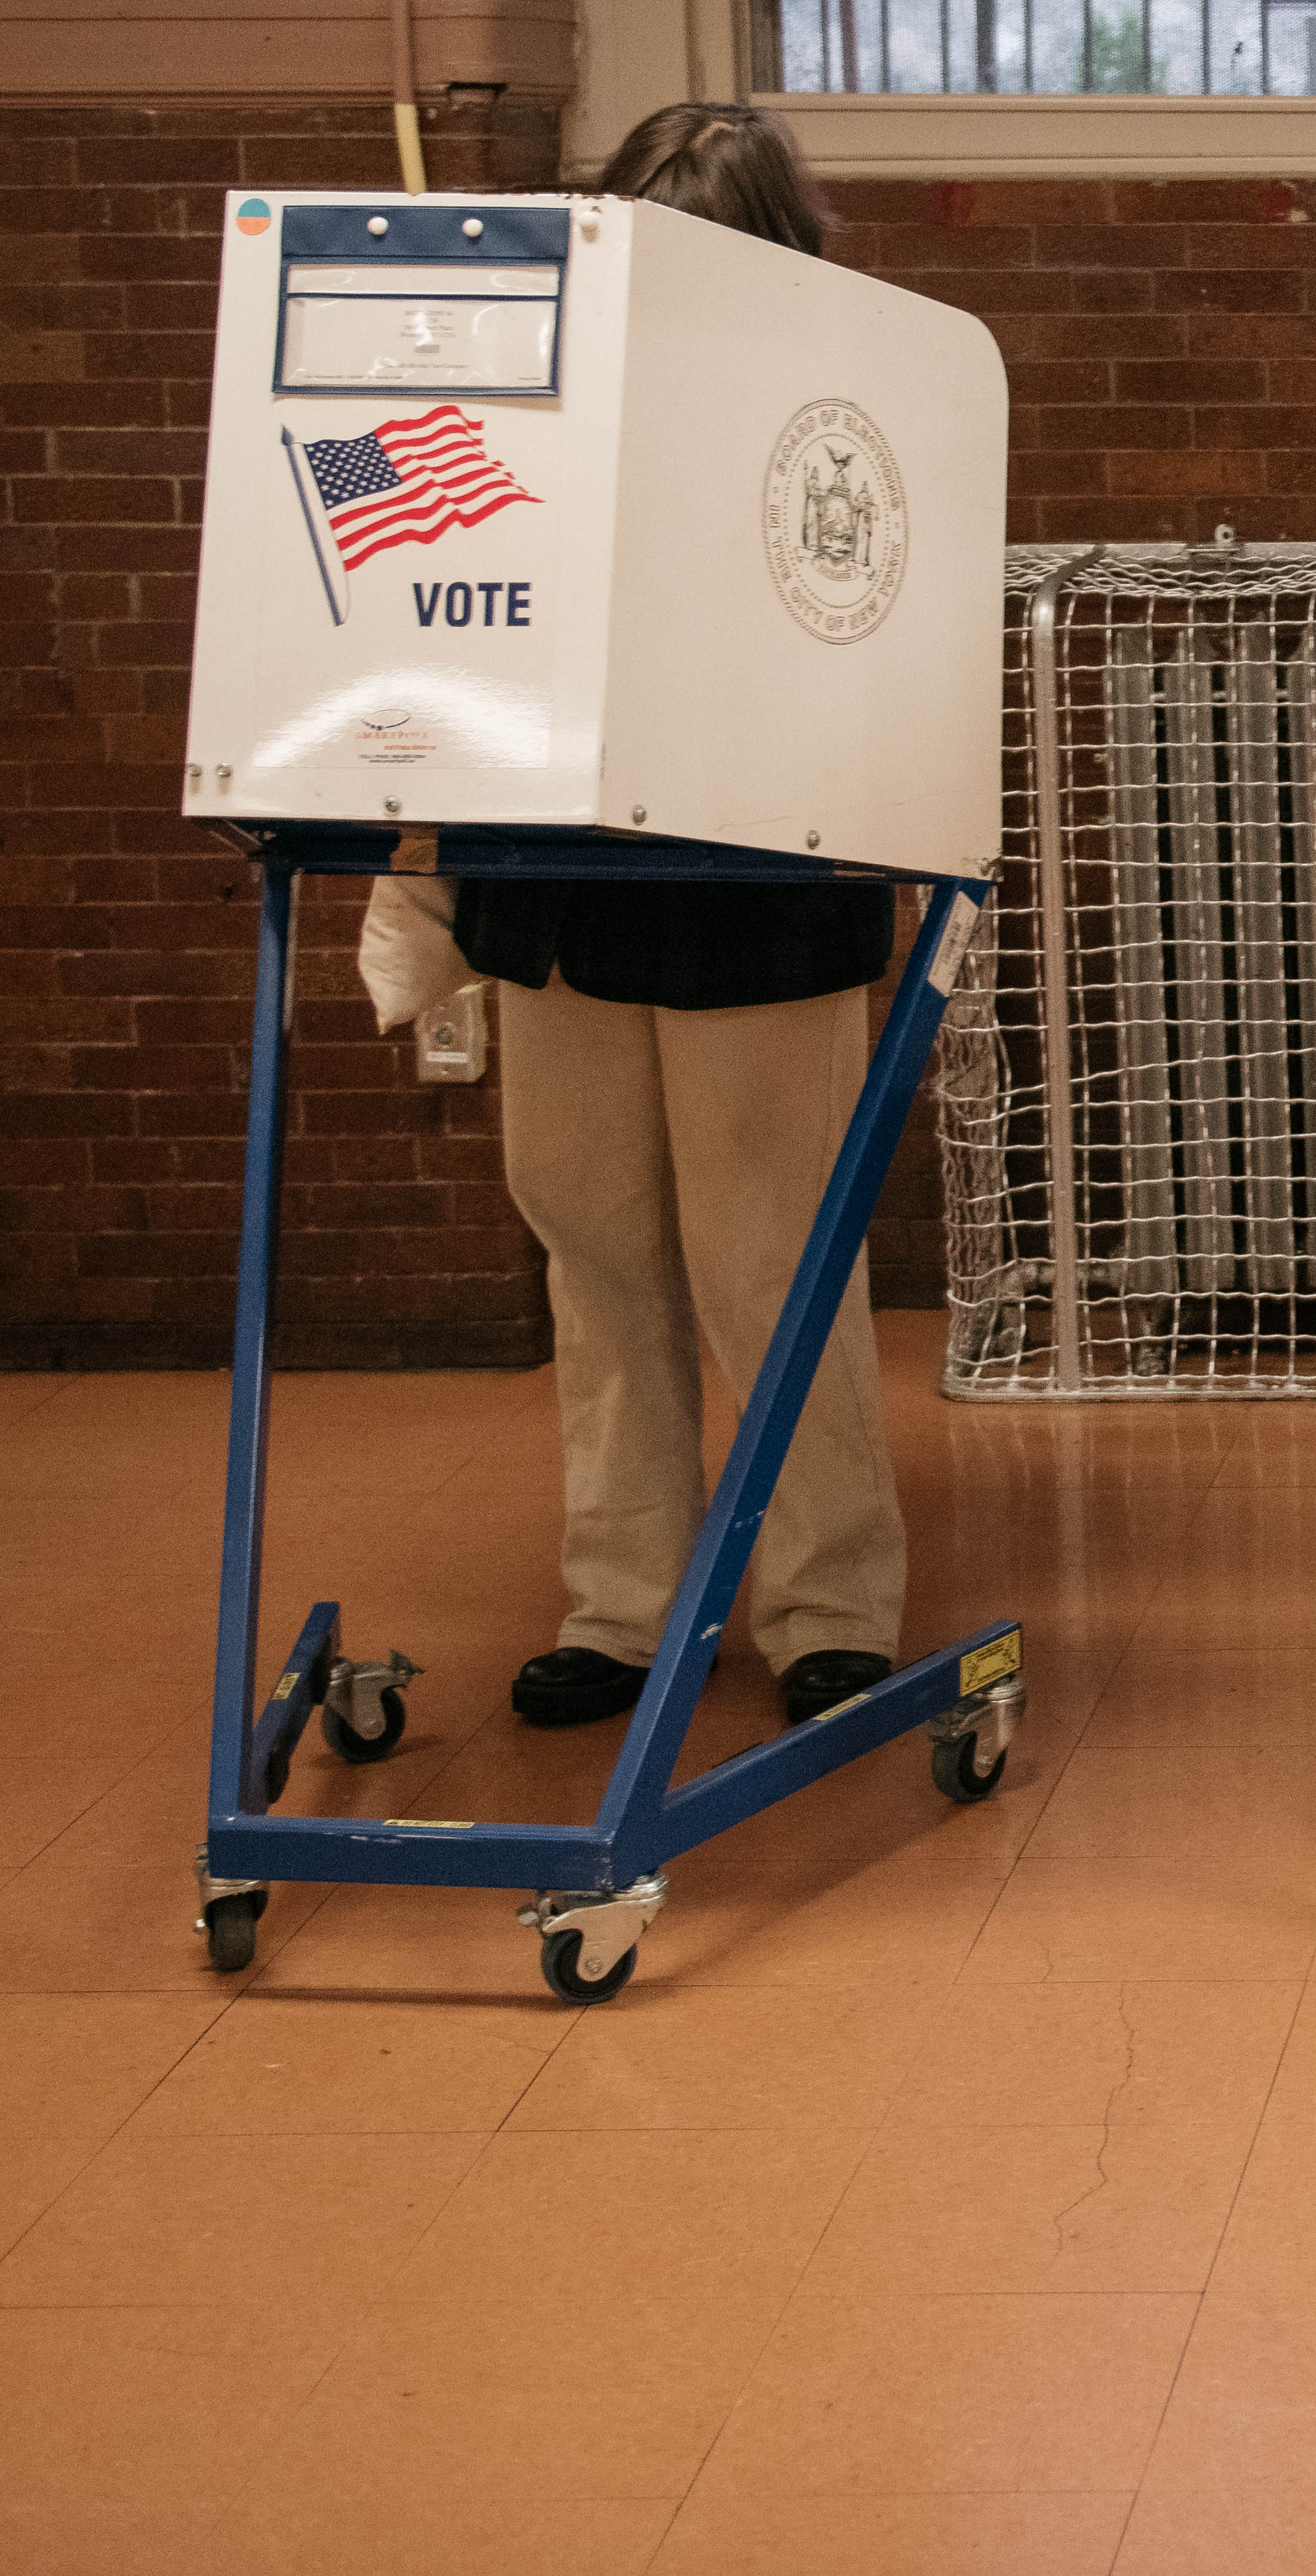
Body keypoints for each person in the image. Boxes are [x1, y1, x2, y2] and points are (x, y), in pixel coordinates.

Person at [456, 104, 912, 1732]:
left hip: (762, 888)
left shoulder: (849, 414)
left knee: (778, 1262)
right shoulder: (537, 411)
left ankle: (827, 1601)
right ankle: (627, 1599)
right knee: (595, 1250)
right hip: (557, 886)